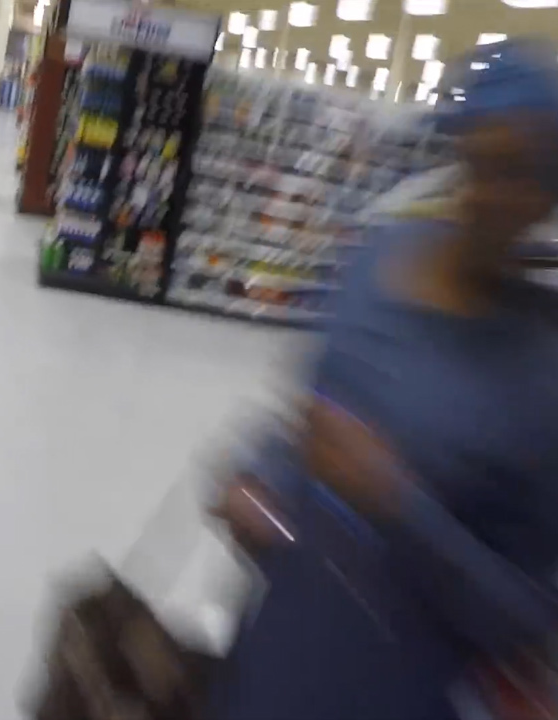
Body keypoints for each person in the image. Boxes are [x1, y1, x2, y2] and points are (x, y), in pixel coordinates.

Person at [210, 39, 558, 719]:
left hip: (402, 692)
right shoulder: (372, 263)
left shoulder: (541, 368)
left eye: (519, 173)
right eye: (477, 162)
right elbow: (306, 418)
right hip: (275, 658)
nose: (488, 195)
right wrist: (258, 477)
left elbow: (529, 617)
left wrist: (397, 503)